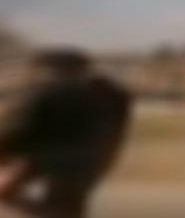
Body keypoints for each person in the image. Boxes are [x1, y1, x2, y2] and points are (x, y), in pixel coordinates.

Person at [0, 48, 132, 218]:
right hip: (93, 161)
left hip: (47, 161)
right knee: (67, 207)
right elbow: (118, 128)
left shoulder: (45, 90)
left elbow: (18, 130)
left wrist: (5, 154)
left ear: (47, 69)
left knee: (13, 195)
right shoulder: (114, 94)